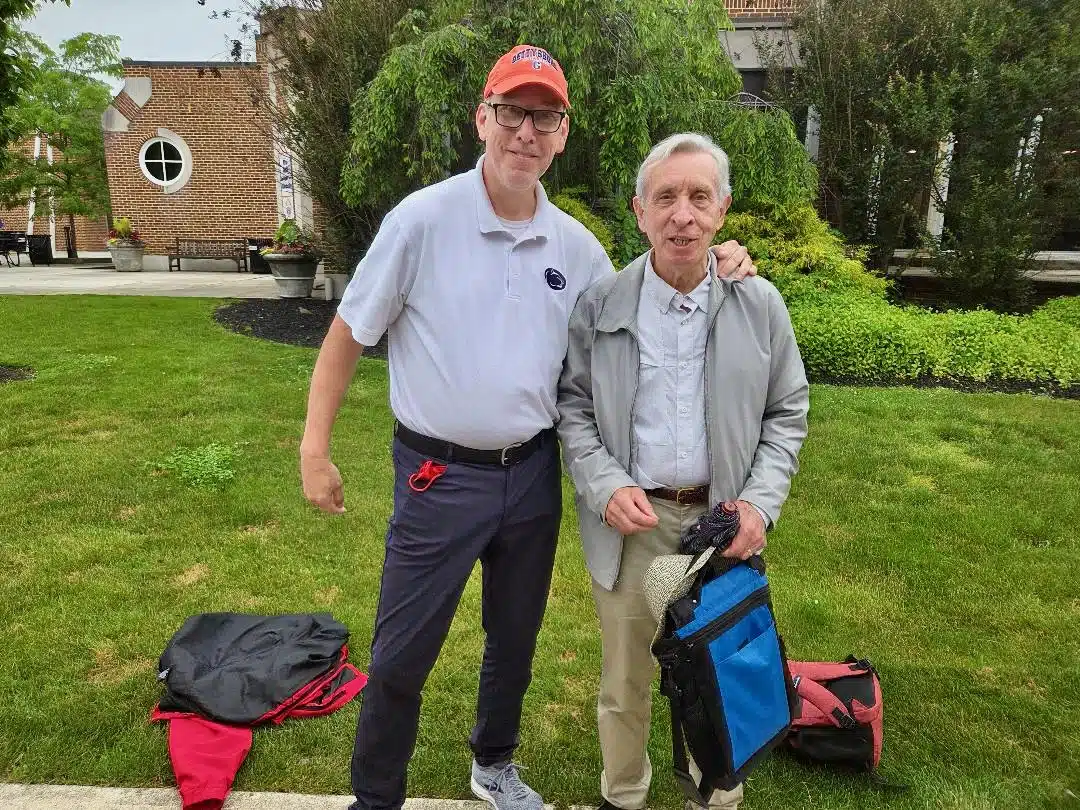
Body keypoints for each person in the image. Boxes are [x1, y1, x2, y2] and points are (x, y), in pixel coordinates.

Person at [299, 45, 758, 810]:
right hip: (438, 475)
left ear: (562, 134)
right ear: (483, 118)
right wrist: (315, 449)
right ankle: (374, 797)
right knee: (404, 653)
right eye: (512, 111)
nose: (526, 131)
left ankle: (494, 763)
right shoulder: (423, 220)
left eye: (544, 117)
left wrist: (721, 259)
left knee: (513, 641)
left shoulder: (576, 248)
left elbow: (648, 302)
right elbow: (348, 333)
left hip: (533, 476)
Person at [556, 132, 810, 810]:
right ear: (639, 211)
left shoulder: (759, 306)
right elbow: (573, 409)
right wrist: (604, 486)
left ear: (722, 210)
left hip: (722, 526)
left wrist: (758, 504)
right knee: (627, 680)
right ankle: (623, 794)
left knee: (721, 673)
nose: (683, 214)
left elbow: (787, 412)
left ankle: (716, 794)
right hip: (634, 526)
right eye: (665, 197)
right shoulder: (601, 304)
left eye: (699, 197)